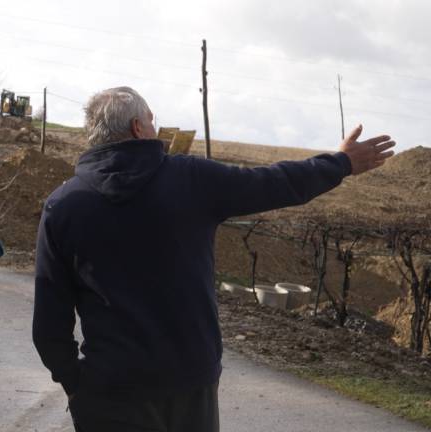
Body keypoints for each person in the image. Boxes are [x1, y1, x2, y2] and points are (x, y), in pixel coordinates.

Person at [32, 86, 395, 432]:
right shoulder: (191, 179)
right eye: (152, 119)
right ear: (138, 127)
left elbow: (49, 322)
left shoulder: (63, 206)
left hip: (109, 392)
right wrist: (340, 163)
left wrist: (75, 383)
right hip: (191, 385)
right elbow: (273, 183)